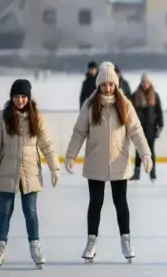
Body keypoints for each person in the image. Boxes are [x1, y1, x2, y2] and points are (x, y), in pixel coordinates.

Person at [65, 62, 153, 263]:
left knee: (120, 203)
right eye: (104, 84)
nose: (108, 88)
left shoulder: (125, 104)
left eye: (111, 84)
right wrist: (71, 156)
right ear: (99, 85)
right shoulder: (89, 105)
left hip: (119, 162)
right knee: (95, 203)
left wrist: (146, 154)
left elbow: (136, 132)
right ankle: (91, 242)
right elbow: (79, 133)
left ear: (116, 84)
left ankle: (126, 240)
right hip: (95, 161)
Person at [0, 79, 60, 269]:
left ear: (29, 97)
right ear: (11, 97)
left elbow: (46, 145)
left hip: (30, 171)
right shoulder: (2, 117)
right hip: (7, 170)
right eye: (16, 96)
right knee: (5, 211)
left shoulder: (36, 117)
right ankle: (0, 248)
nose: (20, 100)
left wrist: (54, 168)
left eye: (24, 96)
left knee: (30, 212)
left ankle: (35, 248)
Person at [131, 73, 163, 182]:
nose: (145, 84)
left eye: (147, 82)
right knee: (138, 151)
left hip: (151, 128)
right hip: (139, 128)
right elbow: (130, 112)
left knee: (151, 151)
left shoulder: (155, 95)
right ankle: (136, 173)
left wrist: (160, 125)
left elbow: (159, 111)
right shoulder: (135, 95)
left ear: (150, 83)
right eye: (144, 82)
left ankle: (152, 173)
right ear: (141, 83)